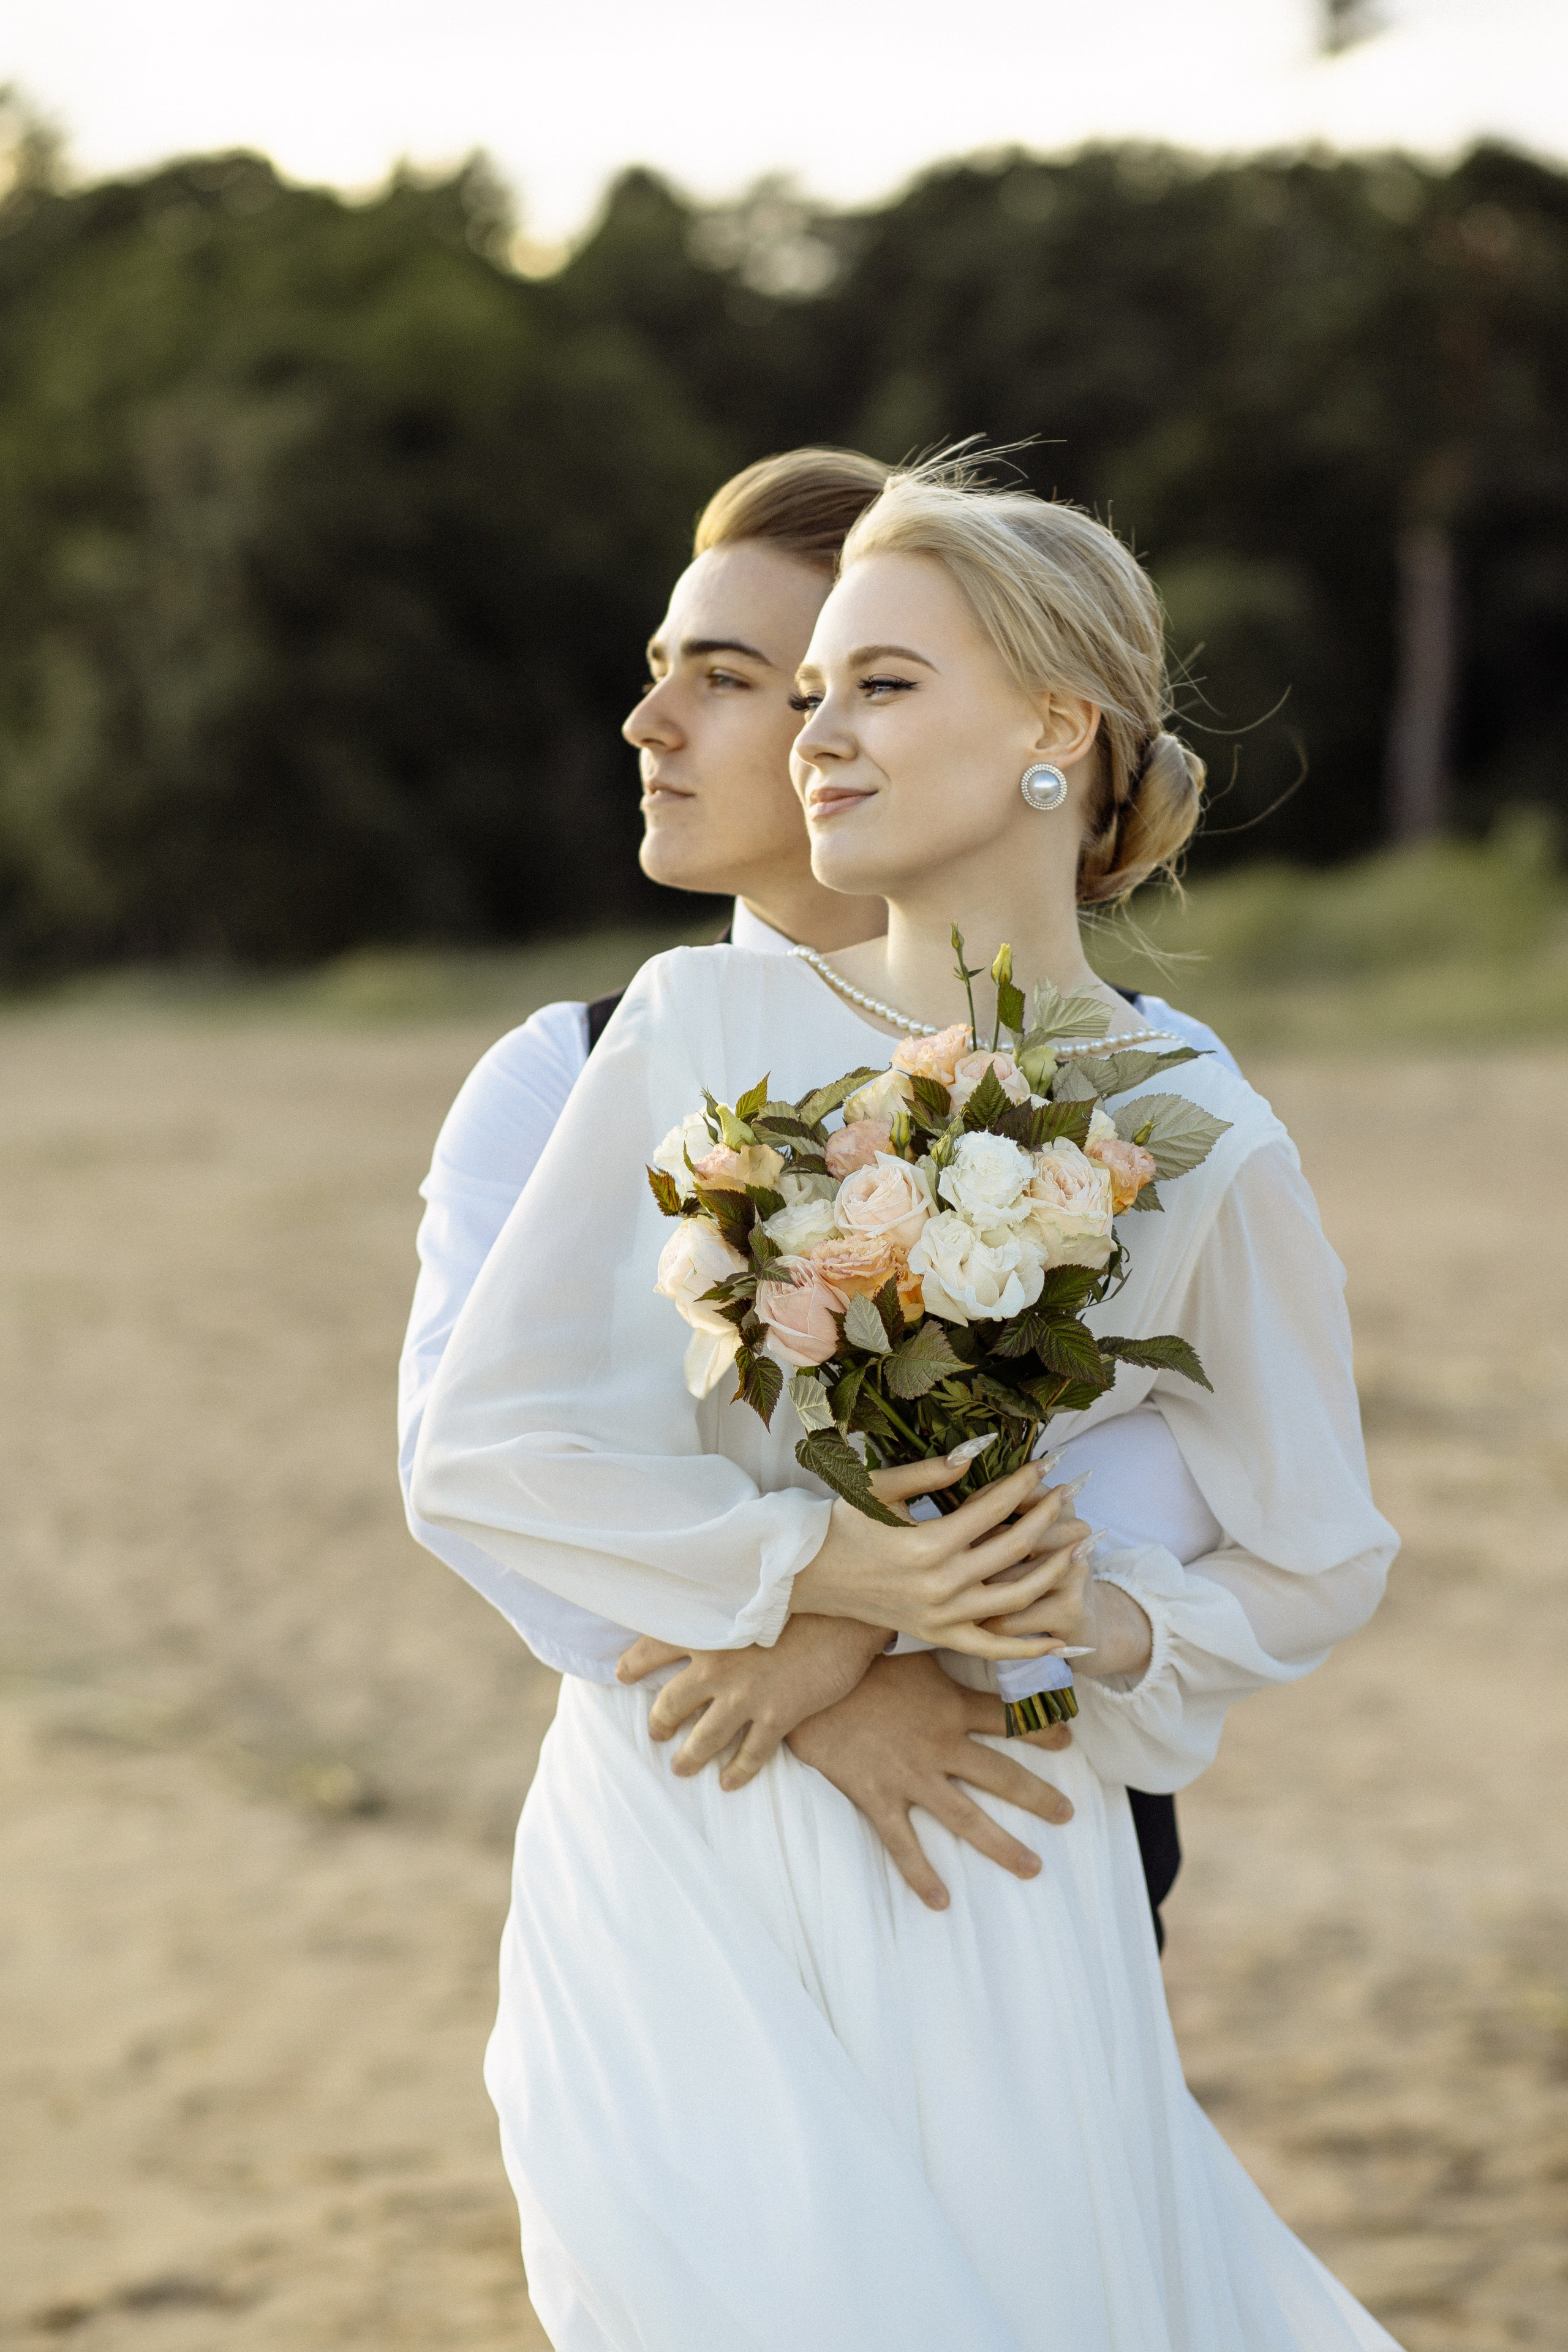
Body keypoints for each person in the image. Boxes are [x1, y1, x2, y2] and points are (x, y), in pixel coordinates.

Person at [412, 454, 1400, 2350]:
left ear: (1052, 727)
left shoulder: (1198, 1132)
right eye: (813, 695)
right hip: (674, 1828)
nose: (815, 742)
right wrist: (825, 1577)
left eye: (873, 688)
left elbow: (1319, 1549)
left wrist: (1082, 1622)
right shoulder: (687, 1038)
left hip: (993, 1862)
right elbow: (480, 1455)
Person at [399, 447, 1236, 1932]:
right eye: (664, 667)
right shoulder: (567, 1071)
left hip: (1021, 1791)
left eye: (726, 678)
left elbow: (1183, 1458)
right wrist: (810, 1680)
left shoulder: (1145, 1076)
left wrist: (869, 1646)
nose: (646, 722)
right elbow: (479, 1472)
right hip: (692, 1794)